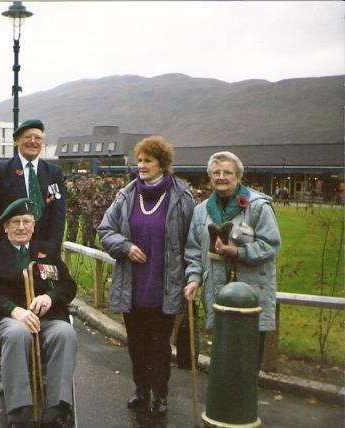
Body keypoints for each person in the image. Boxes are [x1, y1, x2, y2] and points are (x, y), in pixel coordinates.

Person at [97, 136, 195, 415]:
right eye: (139, 160)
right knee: (137, 342)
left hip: (166, 284)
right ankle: (141, 389)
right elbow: (105, 230)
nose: (141, 165)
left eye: (147, 161)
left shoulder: (182, 198)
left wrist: (191, 279)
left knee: (160, 345)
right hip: (133, 284)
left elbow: (192, 241)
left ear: (162, 164)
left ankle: (160, 393)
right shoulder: (126, 195)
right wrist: (125, 247)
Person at [0, 198, 77, 428]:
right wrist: (14, 310)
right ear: (5, 226)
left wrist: (50, 297)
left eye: (26, 221)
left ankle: (57, 410)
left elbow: (68, 286)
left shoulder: (46, 251)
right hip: (8, 320)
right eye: (16, 222)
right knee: (18, 333)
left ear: (33, 225)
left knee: (65, 333)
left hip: (45, 319)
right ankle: (19, 412)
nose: (21, 227)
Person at [183, 151, 281, 365]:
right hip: (218, 297)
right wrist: (193, 279)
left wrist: (237, 252)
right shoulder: (201, 211)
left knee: (247, 366)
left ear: (238, 176)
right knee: (223, 362)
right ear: (210, 178)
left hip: (251, 298)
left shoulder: (257, 206)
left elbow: (271, 245)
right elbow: (193, 251)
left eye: (227, 172)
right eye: (216, 172)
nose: (221, 177)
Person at [0, 119, 66, 253]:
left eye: (38, 138)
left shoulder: (53, 173)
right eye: (27, 137)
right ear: (17, 141)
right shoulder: (1, 170)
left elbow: (58, 216)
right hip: (7, 249)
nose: (33, 141)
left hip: (42, 248)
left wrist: (52, 249)